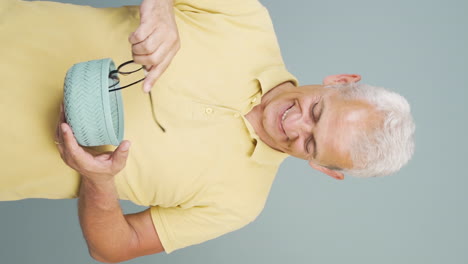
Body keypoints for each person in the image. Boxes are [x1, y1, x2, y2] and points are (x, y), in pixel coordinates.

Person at [0, 0, 415, 262]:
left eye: (310, 144)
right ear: (339, 81)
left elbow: (112, 248)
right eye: (317, 110)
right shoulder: (247, 17)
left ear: (323, 169)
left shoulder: (239, 204)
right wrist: (161, 6)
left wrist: (98, 180)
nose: (294, 125)